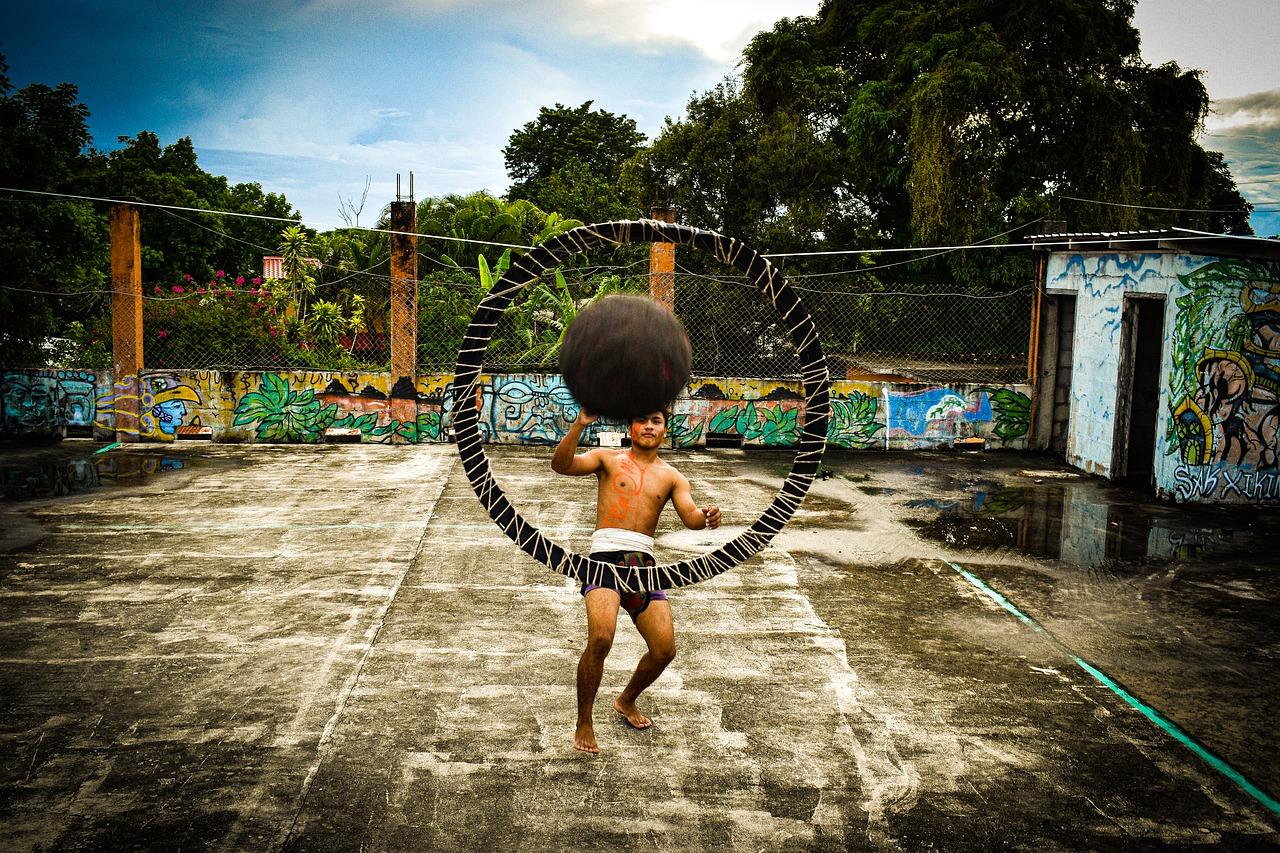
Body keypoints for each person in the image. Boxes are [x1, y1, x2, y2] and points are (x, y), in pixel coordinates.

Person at [551, 409, 721, 754]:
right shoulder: (607, 459)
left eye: (655, 421)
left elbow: (689, 517)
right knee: (600, 637)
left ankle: (626, 700)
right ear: (630, 426)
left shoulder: (672, 476)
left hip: (643, 566)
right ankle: (584, 721)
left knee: (664, 650)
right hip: (604, 562)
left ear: (664, 430)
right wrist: (580, 425)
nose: (648, 426)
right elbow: (561, 465)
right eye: (641, 420)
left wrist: (705, 517)